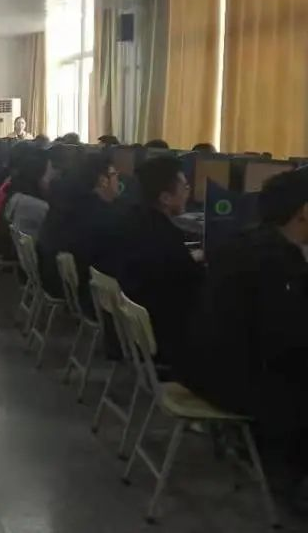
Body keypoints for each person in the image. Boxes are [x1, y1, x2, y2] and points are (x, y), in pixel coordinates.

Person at [181, 169, 308, 476]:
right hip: (235, 384)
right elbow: (286, 341)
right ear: (304, 211)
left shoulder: (243, 242)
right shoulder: (277, 262)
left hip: (202, 368)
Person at [114, 156, 203, 371]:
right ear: (165, 197)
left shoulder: (133, 220)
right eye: (184, 187)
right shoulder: (166, 235)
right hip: (165, 337)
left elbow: (170, 267)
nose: (188, 192)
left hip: (132, 331)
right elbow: (195, 283)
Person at [37, 153, 121, 311]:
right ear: (103, 180)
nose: (118, 179)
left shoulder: (74, 205)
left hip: (56, 282)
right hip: (85, 296)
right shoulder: (102, 216)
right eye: (115, 174)